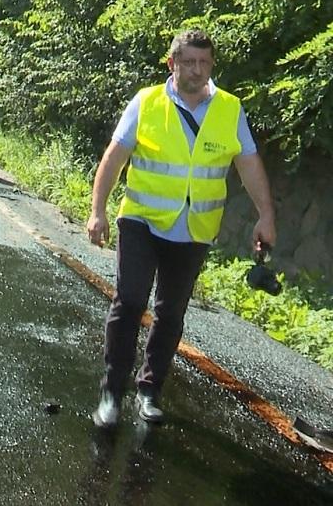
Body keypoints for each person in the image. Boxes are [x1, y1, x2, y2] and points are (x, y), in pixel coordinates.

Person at [87, 29, 276, 428]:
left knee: (170, 312)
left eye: (204, 62)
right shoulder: (147, 102)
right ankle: (111, 391)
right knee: (131, 300)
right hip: (141, 220)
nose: (196, 70)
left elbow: (249, 165)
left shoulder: (229, 109)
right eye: (188, 62)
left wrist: (266, 215)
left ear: (212, 65)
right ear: (172, 63)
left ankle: (150, 391)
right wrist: (97, 210)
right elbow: (115, 155)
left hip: (193, 229)